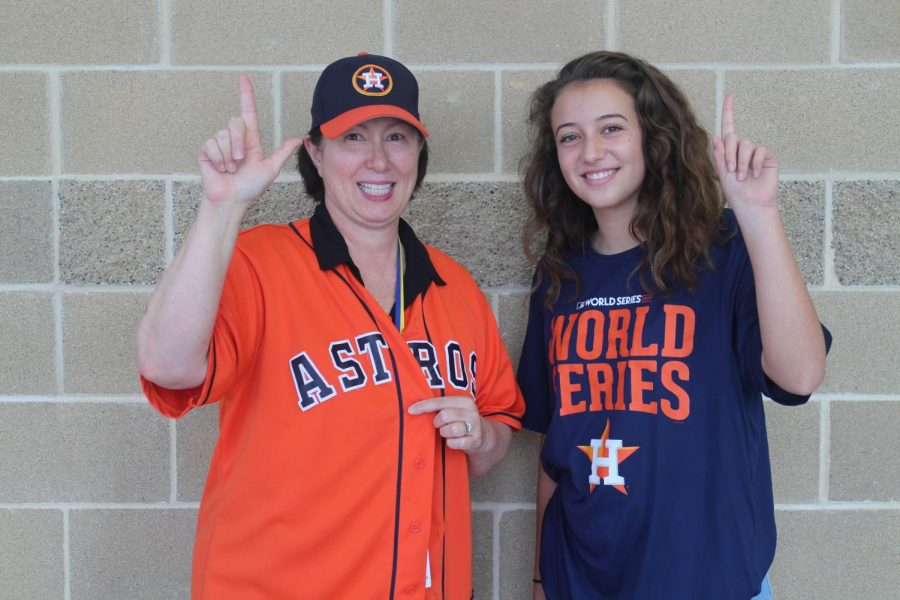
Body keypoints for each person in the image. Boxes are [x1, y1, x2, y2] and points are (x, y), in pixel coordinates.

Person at [137, 52, 524, 600]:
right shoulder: (257, 262)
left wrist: (483, 434)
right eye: (353, 138)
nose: (378, 161)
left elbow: (493, 442)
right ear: (315, 154)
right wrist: (221, 209)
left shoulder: (453, 286)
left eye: (396, 137)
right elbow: (167, 366)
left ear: (418, 153)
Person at [517, 51, 831, 600]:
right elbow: (554, 443)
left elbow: (800, 376)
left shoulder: (725, 249)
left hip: (709, 581)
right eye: (569, 136)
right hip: (581, 582)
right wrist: (543, 580)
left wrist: (759, 217)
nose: (590, 151)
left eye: (611, 128)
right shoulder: (558, 276)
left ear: (653, 137)